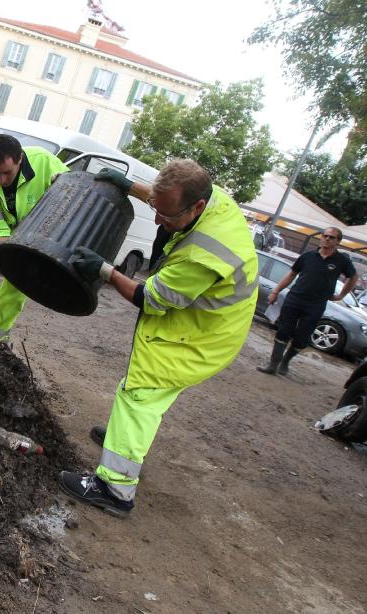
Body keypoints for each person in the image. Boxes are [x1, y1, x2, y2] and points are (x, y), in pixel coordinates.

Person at [58, 159, 258, 518]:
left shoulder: (205, 254)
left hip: (201, 336)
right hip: (204, 321)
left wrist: (104, 270)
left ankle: (115, 489)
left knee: (139, 394)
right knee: (144, 397)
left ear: (196, 207)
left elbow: (149, 298)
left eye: (166, 217)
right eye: (155, 208)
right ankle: (124, 441)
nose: (156, 221)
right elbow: (163, 198)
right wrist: (129, 185)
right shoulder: (211, 198)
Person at [0, 134, 68, 340]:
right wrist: (2, 246)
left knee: (18, 284)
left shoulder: (44, 162)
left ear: (20, 159)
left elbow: (71, 191)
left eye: (7, 173)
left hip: (33, 233)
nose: (2, 180)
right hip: (1, 229)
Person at [257, 227, 357, 375]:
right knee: (283, 331)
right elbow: (291, 274)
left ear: (338, 242)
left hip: (316, 304)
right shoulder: (308, 256)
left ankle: (285, 362)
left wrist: (341, 295)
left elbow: (353, 277)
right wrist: (276, 291)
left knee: (302, 338)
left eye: (331, 237)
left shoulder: (342, 261)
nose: (327, 239)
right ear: (321, 237)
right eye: (325, 236)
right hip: (295, 298)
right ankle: (273, 364)